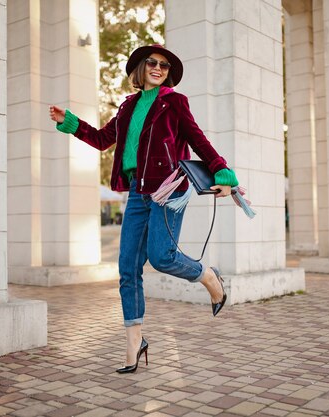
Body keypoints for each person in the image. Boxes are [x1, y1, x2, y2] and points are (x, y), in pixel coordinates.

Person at [49, 44, 239, 374]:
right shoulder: (127, 107)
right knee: (127, 267)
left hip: (168, 190)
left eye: (164, 66)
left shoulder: (174, 102)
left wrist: (222, 172)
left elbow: (198, 139)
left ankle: (209, 277)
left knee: (162, 256)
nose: (158, 68)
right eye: (152, 62)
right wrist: (70, 122)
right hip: (138, 193)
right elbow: (100, 139)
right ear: (140, 67)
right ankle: (134, 342)